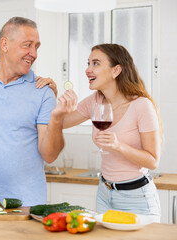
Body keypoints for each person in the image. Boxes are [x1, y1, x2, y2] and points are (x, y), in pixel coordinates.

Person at [0, 17, 76, 206]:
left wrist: (57, 119)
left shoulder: (43, 91)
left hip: (26, 204)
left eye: (37, 47)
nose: (33, 53)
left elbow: (49, 155)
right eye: (27, 45)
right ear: (5, 44)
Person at [62, 43, 162, 222]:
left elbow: (153, 161)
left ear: (116, 70)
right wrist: (52, 93)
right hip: (104, 194)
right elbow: (60, 122)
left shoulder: (141, 105)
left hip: (137, 197)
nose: (87, 70)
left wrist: (118, 146)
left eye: (95, 63)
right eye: (88, 63)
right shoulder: (95, 101)